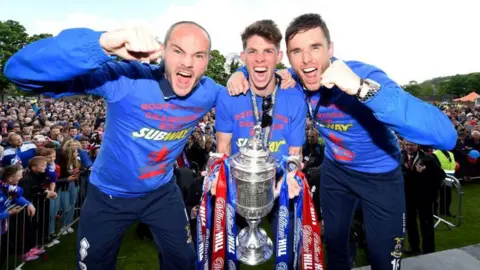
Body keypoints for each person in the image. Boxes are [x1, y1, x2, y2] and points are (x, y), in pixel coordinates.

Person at [3, 21, 258, 270]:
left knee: (184, 261)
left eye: (198, 55)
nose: (188, 63)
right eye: (178, 51)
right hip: (108, 196)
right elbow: (19, 72)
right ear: (162, 50)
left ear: (207, 62)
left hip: (161, 193)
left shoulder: (208, 92)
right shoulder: (127, 79)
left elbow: (258, 87)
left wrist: (242, 72)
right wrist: (101, 45)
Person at [227, 13, 457, 270]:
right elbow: (261, 66)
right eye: (297, 51)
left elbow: (446, 136)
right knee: (334, 248)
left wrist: (361, 89)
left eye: (315, 48)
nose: (306, 59)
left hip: (380, 177)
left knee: (384, 259)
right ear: (289, 57)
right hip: (336, 173)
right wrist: (237, 72)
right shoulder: (296, 79)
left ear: (331, 49)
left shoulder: (362, 74)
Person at [214, 19, 306, 268]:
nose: (260, 59)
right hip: (240, 187)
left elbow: (295, 153)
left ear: (279, 56)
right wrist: (218, 181)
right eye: (252, 52)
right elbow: (222, 149)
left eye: (268, 51)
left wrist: (289, 178)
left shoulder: (294, 97)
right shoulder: (229, 95)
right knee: (227, 255)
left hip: (280, 187)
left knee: (289, 252)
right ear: (243, 56)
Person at [402, 141, 445, 255]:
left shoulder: (428, 158)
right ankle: (414, 247)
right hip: (408, 197)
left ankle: (429, 250)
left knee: (426, 225)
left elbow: (441, 175)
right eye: (407, 144)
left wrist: (425, 171)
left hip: (424, 198)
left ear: (417, 145)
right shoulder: (401, 157)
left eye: (412, 145)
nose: (409, 147)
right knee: (411, 223)